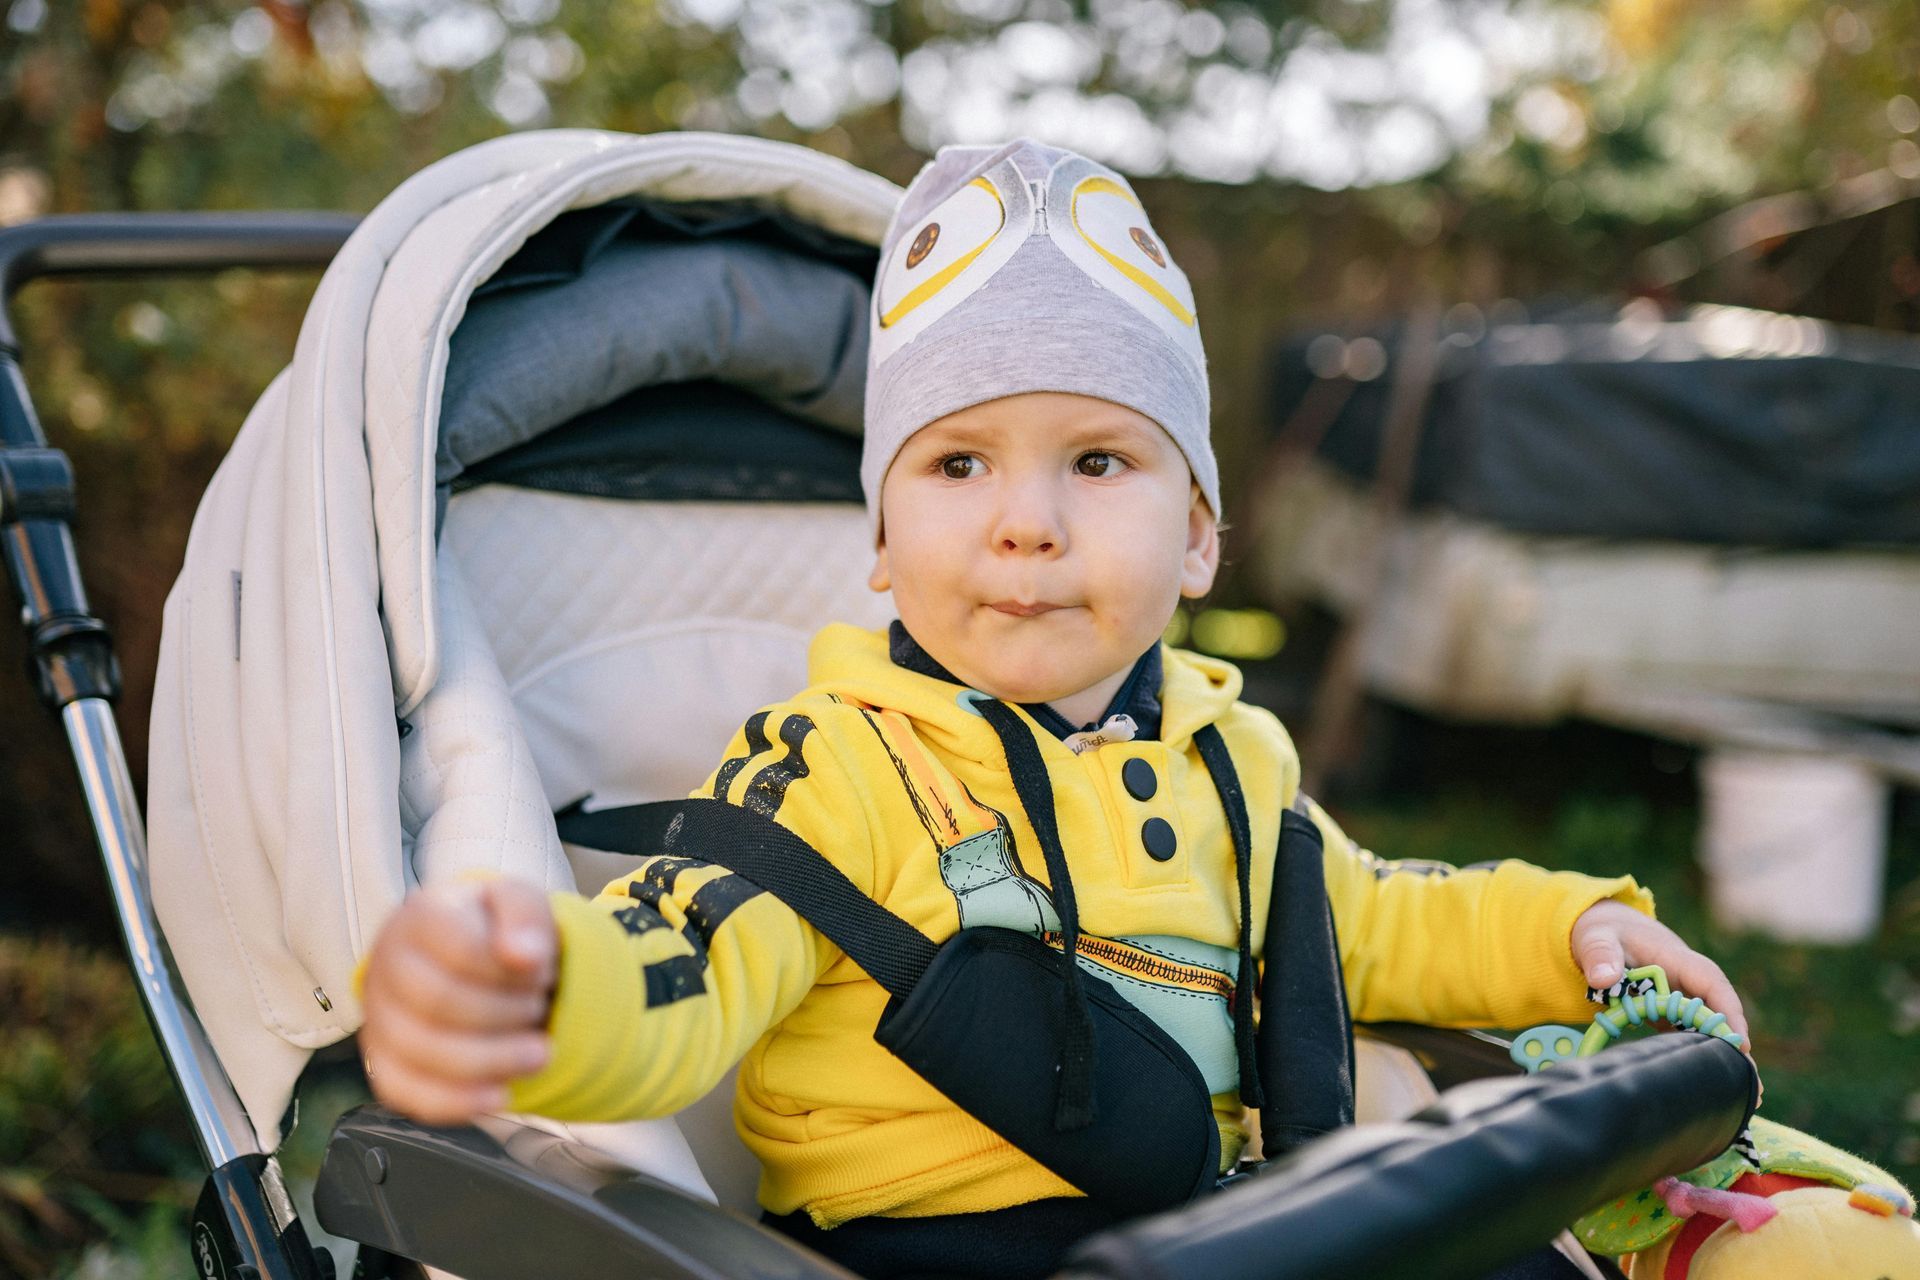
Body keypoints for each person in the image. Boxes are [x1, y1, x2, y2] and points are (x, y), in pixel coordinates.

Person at [357, 139, 1748, 1279]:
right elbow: (686, 957)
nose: (1026, 523)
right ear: (882, 546)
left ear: (1199, 538)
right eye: (958, 464)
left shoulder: (1231, 766)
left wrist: (1568, 927)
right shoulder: (833, 771)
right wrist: (543, 987)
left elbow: (1376, 920)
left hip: (1222, 1234)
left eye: (1097, 459)